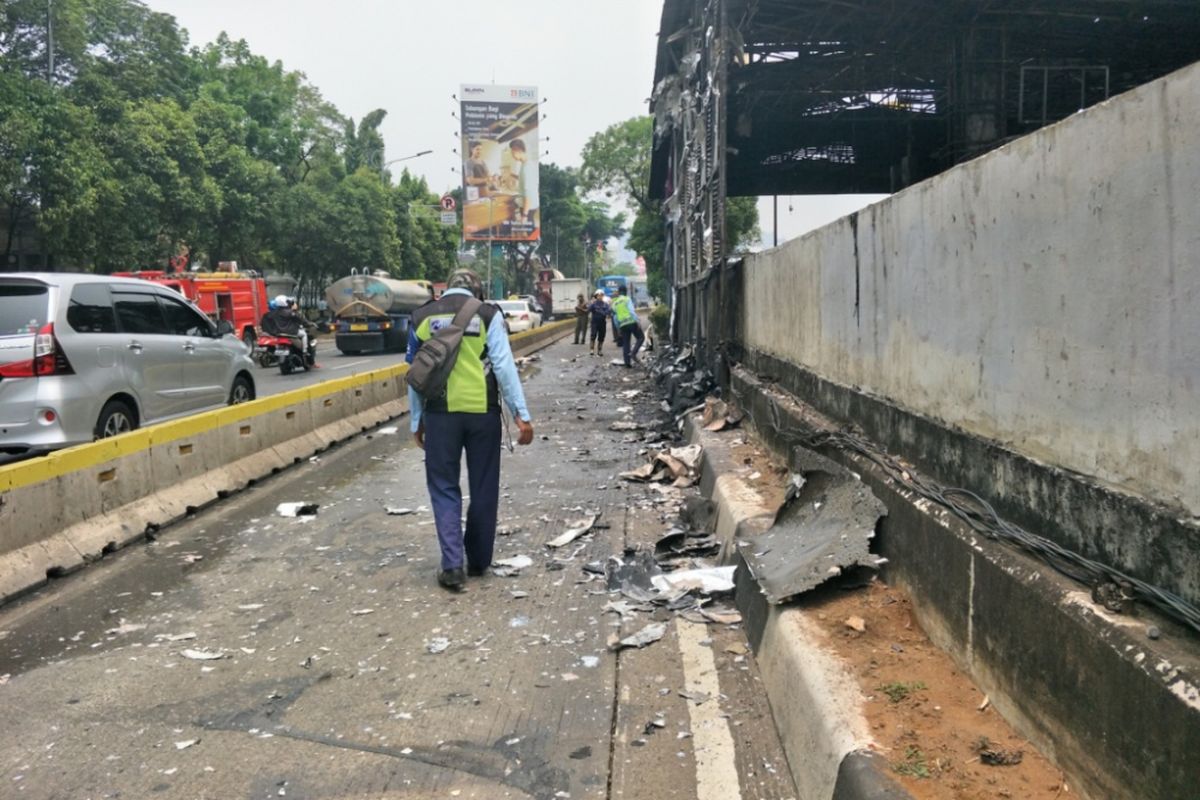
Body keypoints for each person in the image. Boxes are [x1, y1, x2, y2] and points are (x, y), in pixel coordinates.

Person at [406, 268, 534, 592]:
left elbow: (416, 372)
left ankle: (451, 565)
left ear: (446, 288)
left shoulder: (421, 317)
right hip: (482, 414)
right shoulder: (489, 314)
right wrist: (521, 415)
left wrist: (416, 420)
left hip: (439, 414)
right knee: (484, 486)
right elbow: (504, 367)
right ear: (476, 290)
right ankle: (477, 560)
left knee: (444, 487)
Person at [262, 294, 314, 364]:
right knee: (304, 334)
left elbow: (266, 319)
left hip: (279, 333)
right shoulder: (289, 312)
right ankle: (305, 351)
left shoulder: (274, 313)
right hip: (291, 333)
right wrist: (308, 323)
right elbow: (300, 319)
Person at [610, 285, 645, 367]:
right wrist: (637, 321)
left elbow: (615, 318)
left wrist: (618, 329)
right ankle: (633, 353)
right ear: (625, 291)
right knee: (641, 338)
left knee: (626, 343)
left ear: (618, 292)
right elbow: (631, 311)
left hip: (622, 325)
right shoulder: (627, 299)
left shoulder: (615, 304)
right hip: (631, 322)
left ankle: (627, 363)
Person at [587, 290, 609, 356]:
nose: (600, 297)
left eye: (601, 295)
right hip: (594, 322)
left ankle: (600, 350)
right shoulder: (593, 304)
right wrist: (591, 304)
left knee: (601, 337)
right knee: (593, 335)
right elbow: (588, 310)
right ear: (596, 296)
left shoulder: (605, 304)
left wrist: (602, 312)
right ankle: (591, 350)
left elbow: (608, 312)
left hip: (602, 322)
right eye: (599, 295)